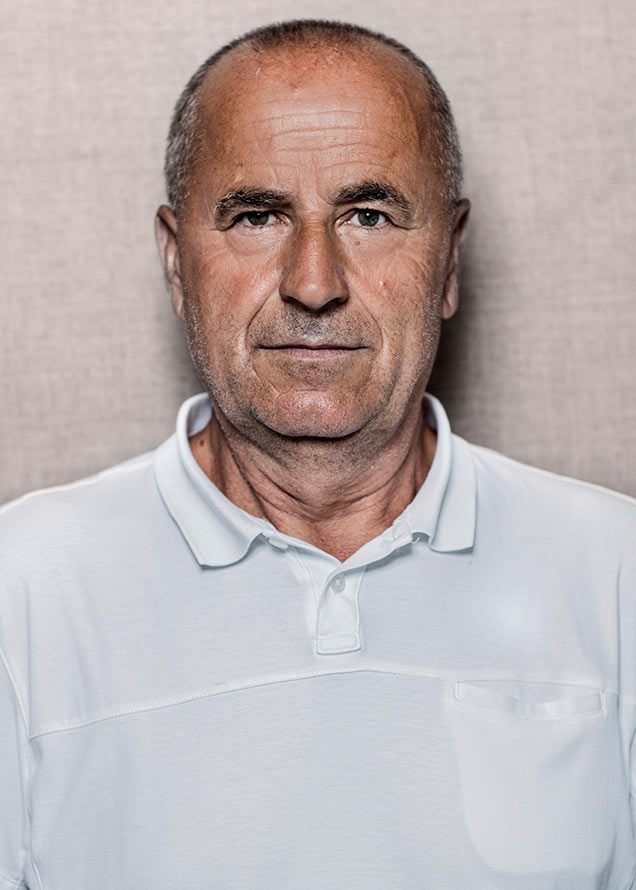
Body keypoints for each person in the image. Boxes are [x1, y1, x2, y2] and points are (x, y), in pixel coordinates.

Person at [1, 18, 635, 890]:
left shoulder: (615, 571)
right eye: (257, 216)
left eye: (368, 216)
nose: (313, 282)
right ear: (177, 264)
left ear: (449, 260)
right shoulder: (21, 589)